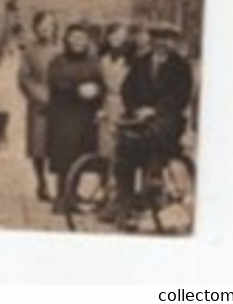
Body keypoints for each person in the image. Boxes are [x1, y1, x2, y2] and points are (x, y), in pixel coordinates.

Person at [109, 22, 195, 218]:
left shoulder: (181, 67)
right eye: (157, 38)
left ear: (173, 42)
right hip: (140, 116)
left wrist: (155, 110)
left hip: (167, 118)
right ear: (151, 39)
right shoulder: (141, 62)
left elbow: (180, 97)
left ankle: (153, 189)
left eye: (166, 38)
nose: (161, 42)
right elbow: (127, 90)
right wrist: (136, 109)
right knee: (124, 144)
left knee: (157, 135)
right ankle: (124, 197)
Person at [46, 23, 105, 212]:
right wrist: (77, 90)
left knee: (81, 156)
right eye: (74, 38)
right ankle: (61, 198)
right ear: (67, 40)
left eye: (82, 39)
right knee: (64, 156)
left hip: (85, 116)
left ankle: (72, 197)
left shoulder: (93, 62)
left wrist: (96, 91)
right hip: (64, 115)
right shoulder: (58, 61)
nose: (78, 43)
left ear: (87, 41)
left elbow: (101, 84)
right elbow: (56, 83)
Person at [17, 10, 61, 201]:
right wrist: (39, 96)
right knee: (38, 144)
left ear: (54, 28)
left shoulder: (61, 50)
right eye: (42, 26)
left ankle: (62, 185)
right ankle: (41, 183)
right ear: (36, 28)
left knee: (60, 143)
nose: (45, 29)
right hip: (39, 104)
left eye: (49, 25)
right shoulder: (30, 51)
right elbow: (24, 77)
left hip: (61, 102)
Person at [96, 22, 134, 160]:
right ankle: (106, 174)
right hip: (106, 103)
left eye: (120, 35)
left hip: (123, 103)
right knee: (105, 143)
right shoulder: (102, 58)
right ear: (107, 37)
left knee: (121, 142)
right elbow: (99, 82)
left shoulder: (130, 59)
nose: (116, 39)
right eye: (113, 35)